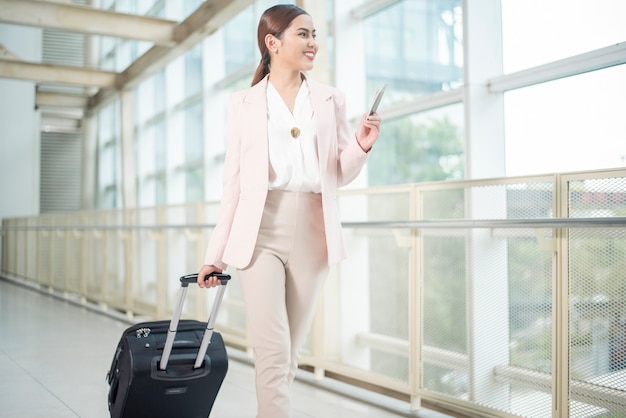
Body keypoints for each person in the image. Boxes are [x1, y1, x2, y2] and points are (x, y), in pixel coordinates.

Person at [197, 4, 381, 417]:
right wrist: (214, 255)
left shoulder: (330, 99)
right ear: (272, 42)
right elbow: (234, 185)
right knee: (274, 351)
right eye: (303, 34)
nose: (313, 43)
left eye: (315, 34)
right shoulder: (243, 103)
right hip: (260, 231)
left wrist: (362, 144)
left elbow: (336, 172)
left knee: (289, 355)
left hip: (313, 231)